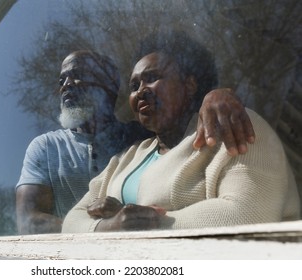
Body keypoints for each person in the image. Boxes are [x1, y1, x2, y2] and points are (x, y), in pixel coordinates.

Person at [61, 32, 300, 233]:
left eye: (151, 78)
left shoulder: (233, 122)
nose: (141, 91)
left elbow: (248, 214)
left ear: (189, 85)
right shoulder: (128, 158)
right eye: (134, 86)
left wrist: (150, 224)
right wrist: (110, 226)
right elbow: (72, 221)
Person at [16, 49, 256, 234]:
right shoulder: (46, 147)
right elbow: (28, 221)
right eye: (62, 81)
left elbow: (177, 126)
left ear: (109, 87)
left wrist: (216, 96)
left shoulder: (138, 139)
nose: (66, 86)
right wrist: (106, 228)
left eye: (78, 76)